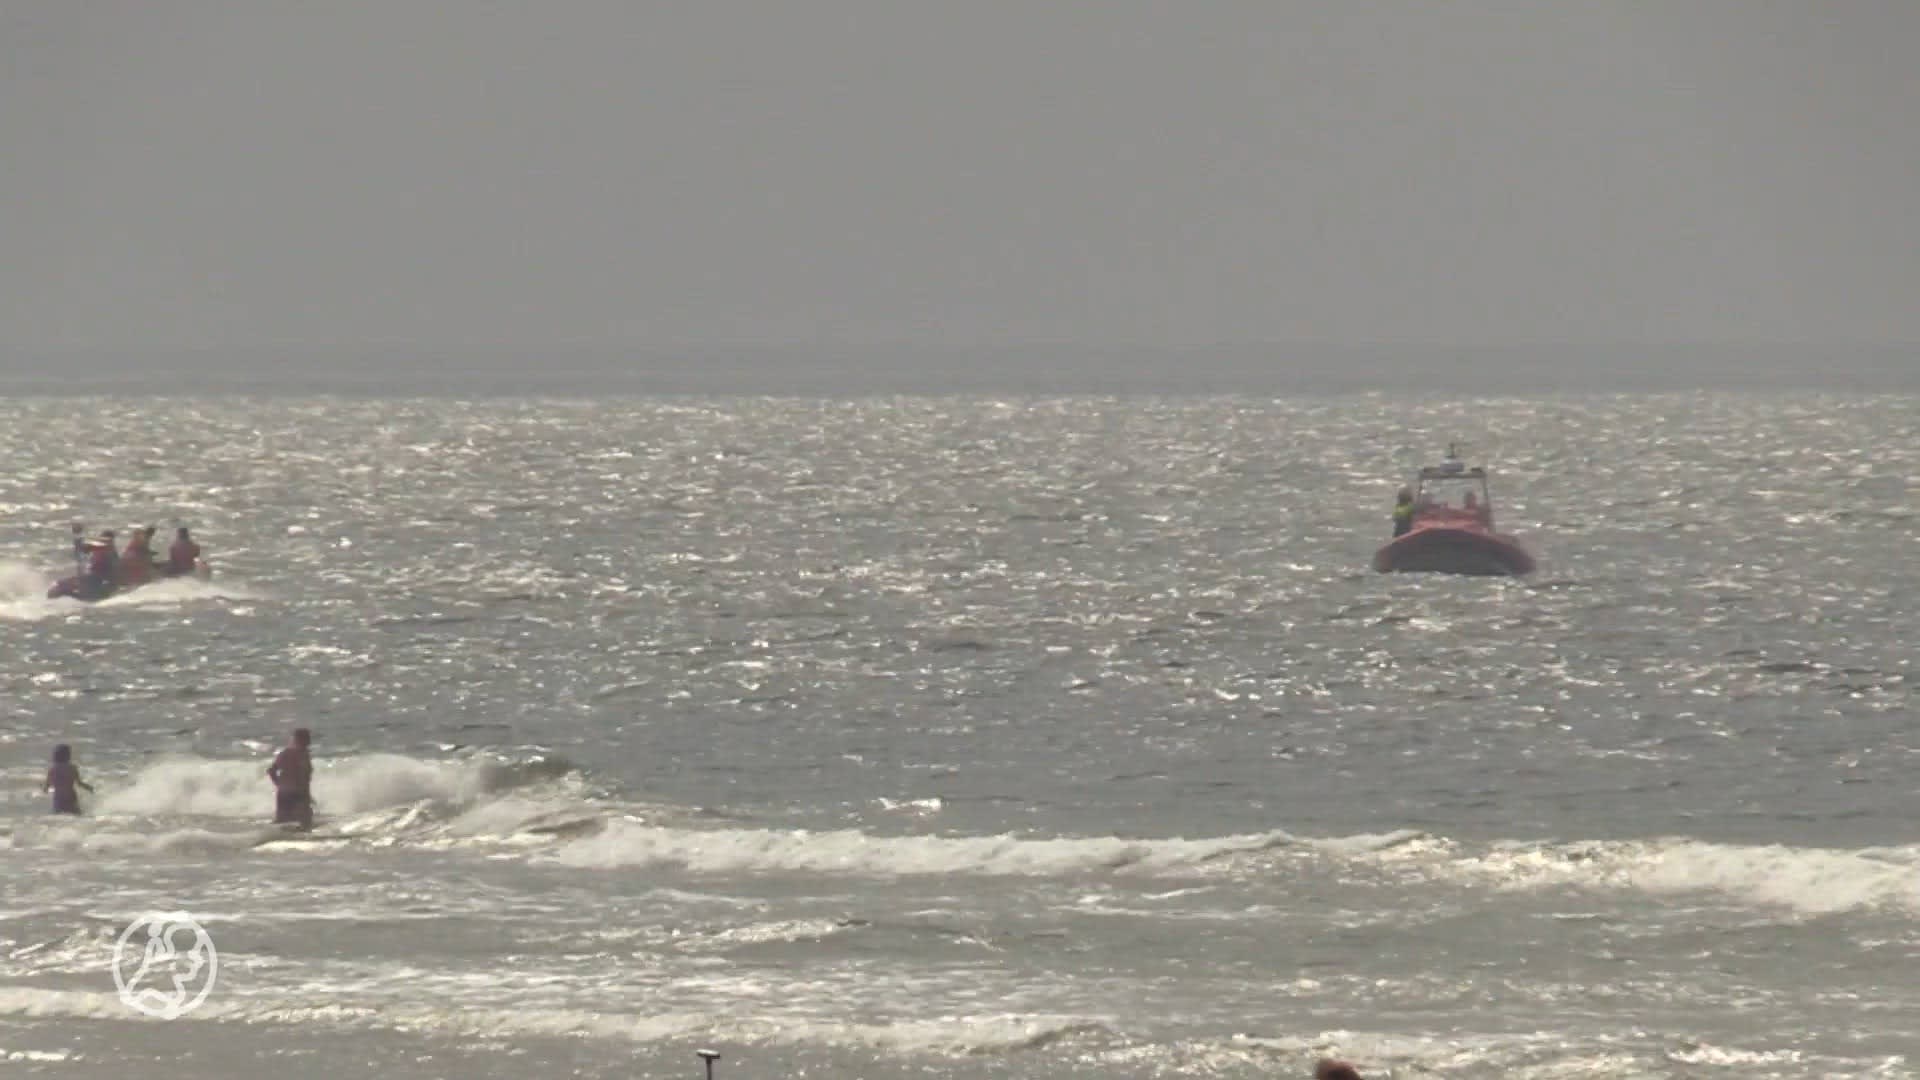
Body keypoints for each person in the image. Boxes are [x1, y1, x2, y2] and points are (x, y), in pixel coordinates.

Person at [267, 728, 315, 829]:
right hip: (298, 792)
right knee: (306, 824)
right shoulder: (303, 754)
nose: (310, 741)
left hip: (284, 792)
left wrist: (280, 785)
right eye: (308, 738)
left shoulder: (285, 752)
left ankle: (267, 839)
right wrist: (307, 795)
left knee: (282, 823)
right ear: (302, 739)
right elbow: (304, 777)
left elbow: (271, 771)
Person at [45, 744, 95, 814]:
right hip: (70, 796)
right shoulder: (72, 768)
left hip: (59, 798)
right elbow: (79, 783)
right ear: (68, 756)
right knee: (76, 815)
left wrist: (44, 790)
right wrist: (89, 788)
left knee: (59, 817)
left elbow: (47, 786)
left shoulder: (52, 770)